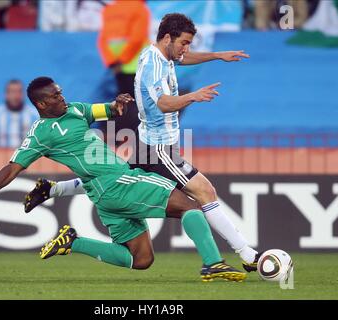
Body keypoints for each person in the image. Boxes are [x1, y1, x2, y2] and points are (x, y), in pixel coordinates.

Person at [24, 13, 261, 273]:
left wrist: (217, 55)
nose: (186, 49)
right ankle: (245, 254)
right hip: (160, 148)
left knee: (115, 178)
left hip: (148, 142)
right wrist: (194, 95)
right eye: (184, 43)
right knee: (204, 193)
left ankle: (53, 190)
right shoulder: (153, 66)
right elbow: (164, 103)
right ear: (168, 38)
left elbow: (183, 59)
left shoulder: (160, 54)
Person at [0, 76, 246, 282]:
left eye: (61, 92)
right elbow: (12, 167)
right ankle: (213, 265)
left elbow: (106, 110)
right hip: (119, 183)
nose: (62, 97)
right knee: (191, 206)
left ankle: (73, 242)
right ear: (41, 103)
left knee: (141, 260)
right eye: (56, 96)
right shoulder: (40, 134)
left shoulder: (75, 110)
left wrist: (118, 103)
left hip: (102, 196)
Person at [97, 0, 150, 138]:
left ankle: (118, 135)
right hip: (136, 62)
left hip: (117, 66)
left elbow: (103, 40)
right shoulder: (140, 8)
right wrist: (122, 60)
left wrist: (112, 62)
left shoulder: (109, 9)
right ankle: (136, 136)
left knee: (123, 99)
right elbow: (137, 38)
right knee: (139, 101)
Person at [0, 79, 38, 148]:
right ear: (6, 94)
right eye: (13, 92)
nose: (16, 96)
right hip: (0, 157)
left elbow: (42, 141)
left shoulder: (35, 115)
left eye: (19, 92)